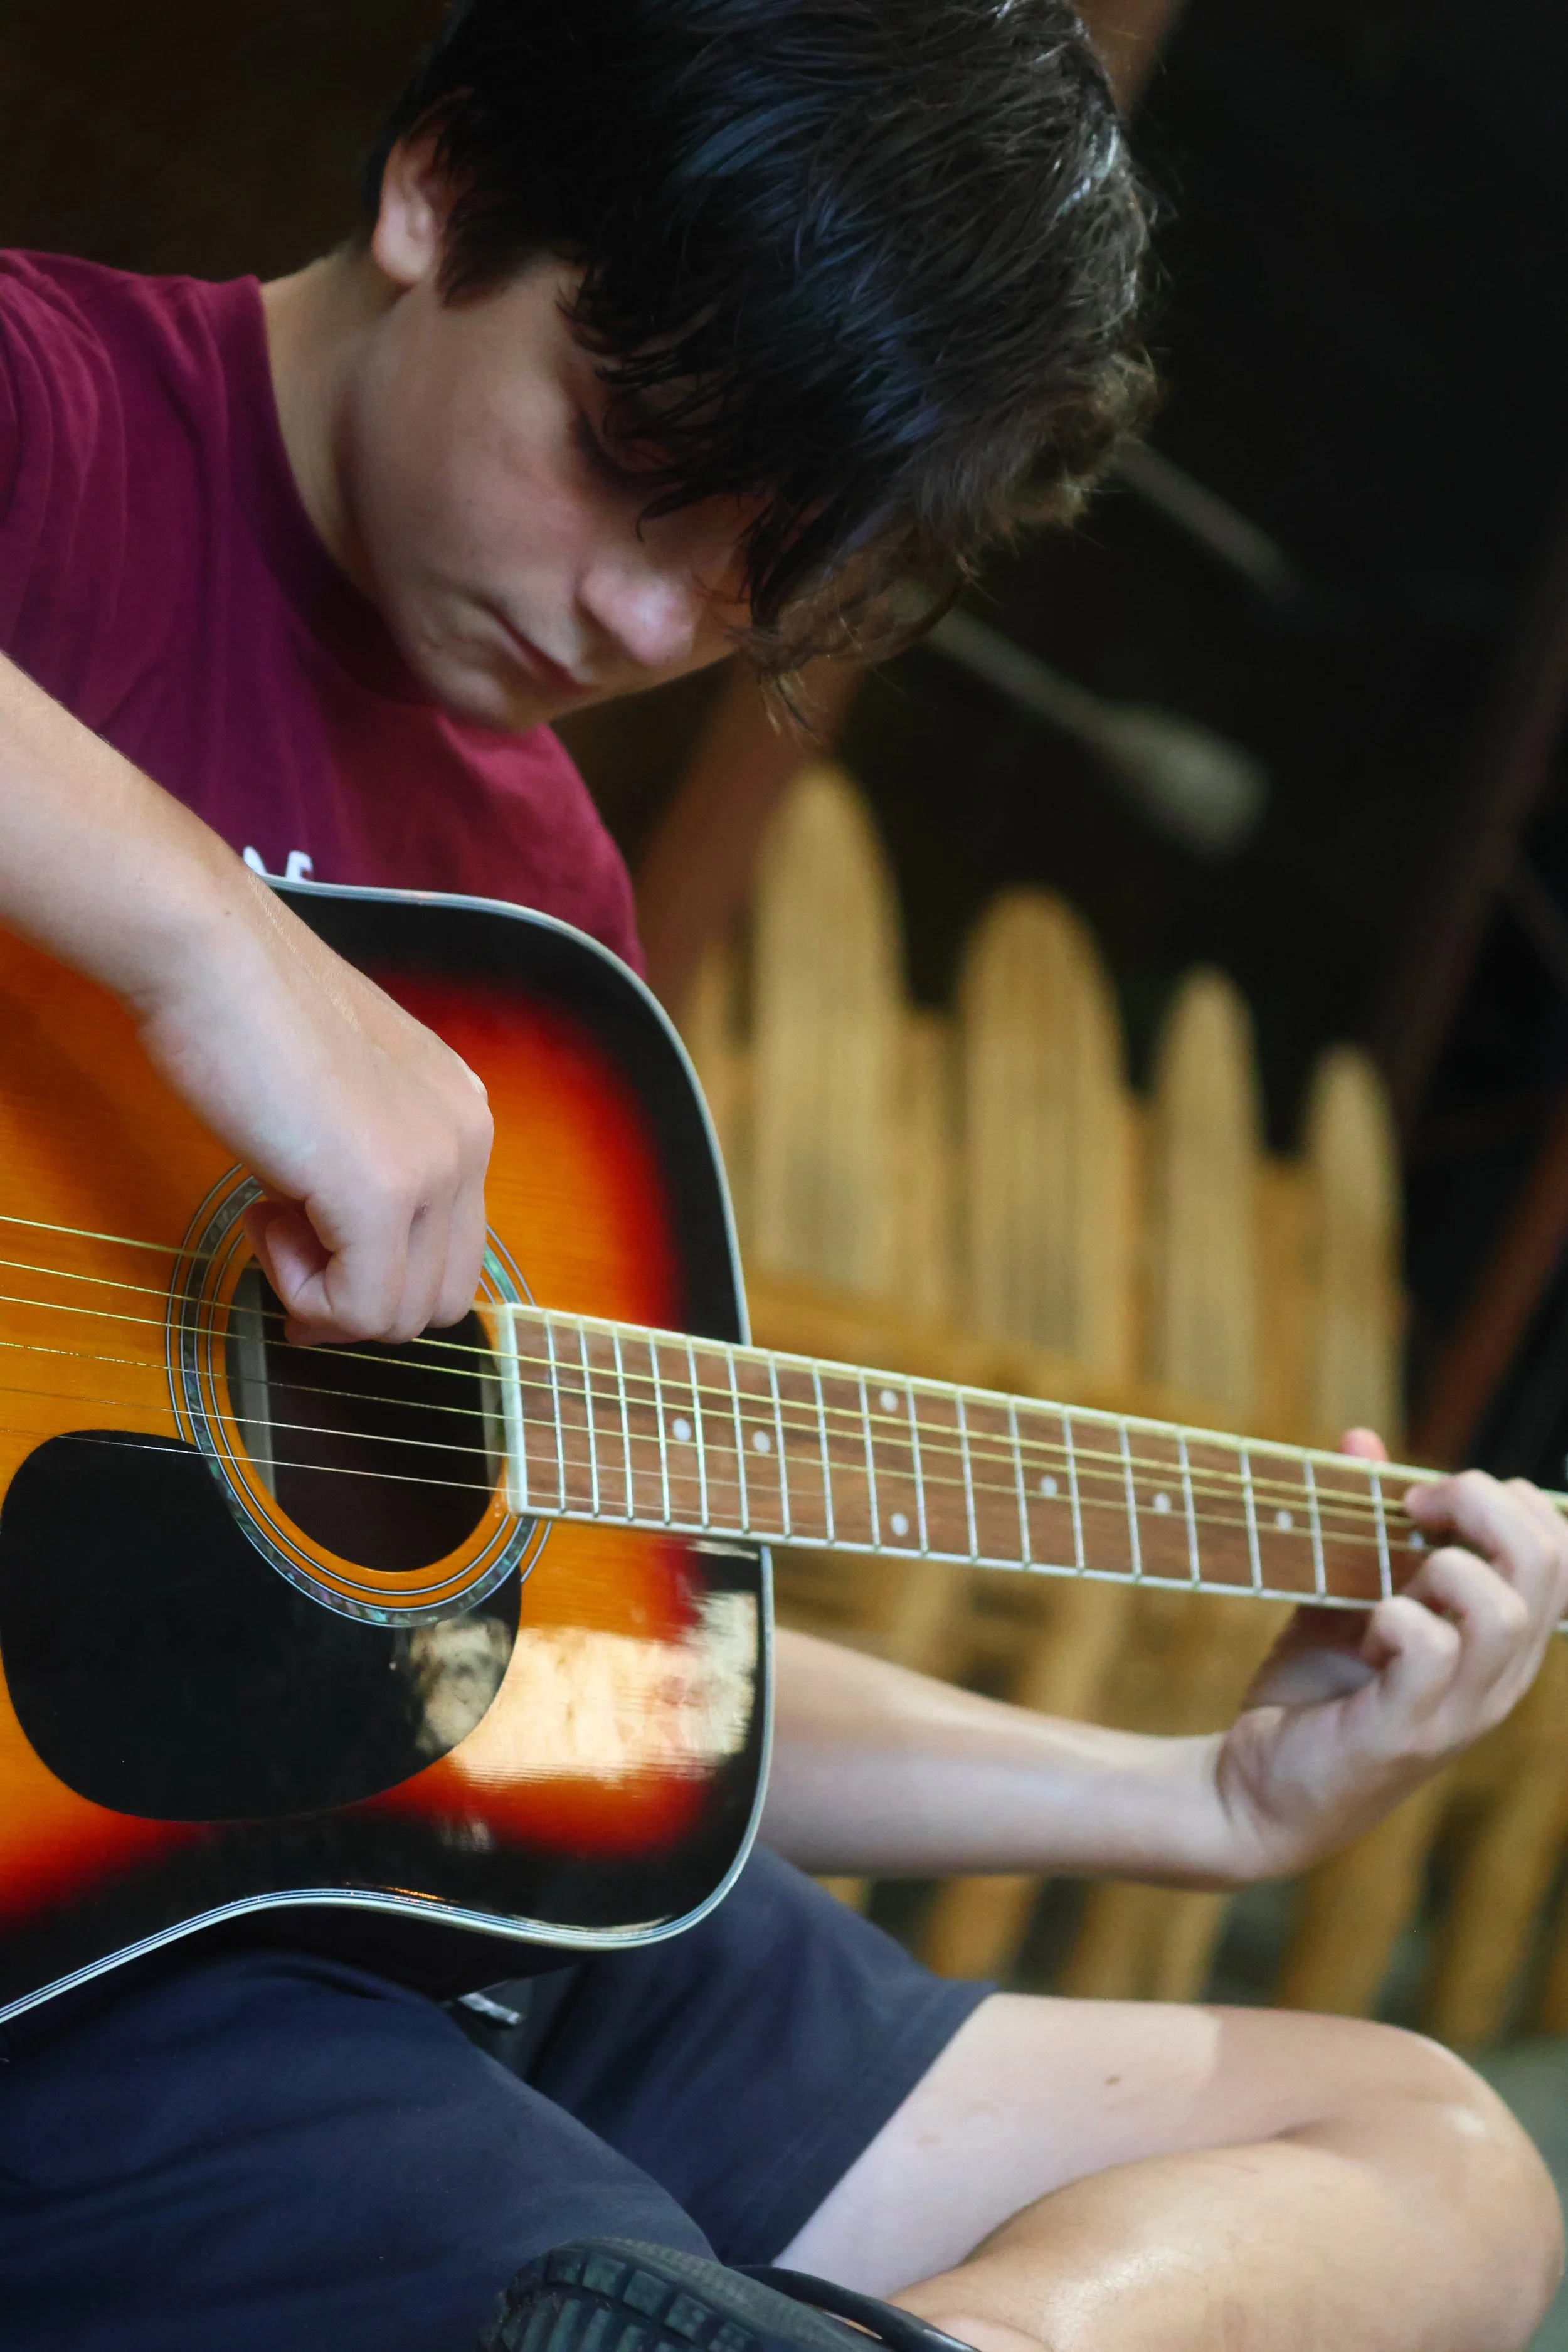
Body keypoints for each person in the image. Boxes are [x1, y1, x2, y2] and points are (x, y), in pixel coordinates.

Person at [0, 4, 1562, 2351]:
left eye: (757, 578)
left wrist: (1202, 1801)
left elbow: (569, 1656)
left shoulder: (544, 928)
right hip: (109, 1951)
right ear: (438, 188)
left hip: (392, 1880)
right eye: (629, 460)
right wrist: (209, 941)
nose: (646, 622)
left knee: (1431, 2172)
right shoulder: (53, 421)